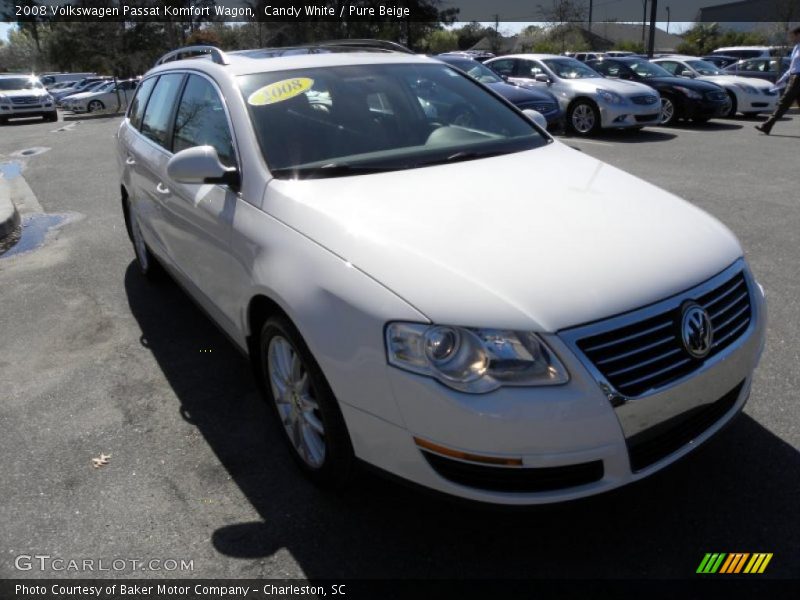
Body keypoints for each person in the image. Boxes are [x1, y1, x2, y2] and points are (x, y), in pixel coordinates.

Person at [756, 26, 800, 134]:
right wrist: (783, 78)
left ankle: (767, 125)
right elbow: (792, 67)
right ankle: (767, 126)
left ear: (799, 35)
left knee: (784, 102)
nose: (791, 38)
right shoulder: (796, 47)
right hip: (794, 77)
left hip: (798, 79)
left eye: (793, 35)